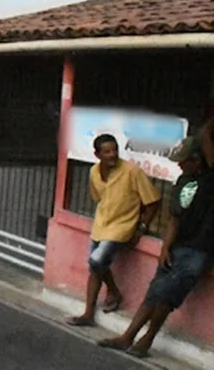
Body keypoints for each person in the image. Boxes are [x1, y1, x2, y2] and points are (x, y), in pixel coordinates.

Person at [98, 136, 214, 358]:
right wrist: (165, 248)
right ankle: (129, 336)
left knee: (167, 296)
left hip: (199, 249)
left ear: (197, 160)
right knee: (154, 292)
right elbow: (174, 218)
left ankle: (147, 339)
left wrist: (211, 126)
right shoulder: (183, 180)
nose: (179, 164)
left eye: (185, 160)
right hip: (177, 246)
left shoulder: (212, 180)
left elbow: (207, 141)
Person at [67, 133, 161, 326]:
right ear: (97, 154)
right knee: (95, 267)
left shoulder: (132, 171)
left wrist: (141, 227)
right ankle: (89, 312)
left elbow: (153, 201)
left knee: (95, 261)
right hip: (101, 224)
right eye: (107, 151)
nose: (112, 155)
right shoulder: (94, 172)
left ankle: (114, 292)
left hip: (122, 226)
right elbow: (98, 197)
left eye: (114, 150)